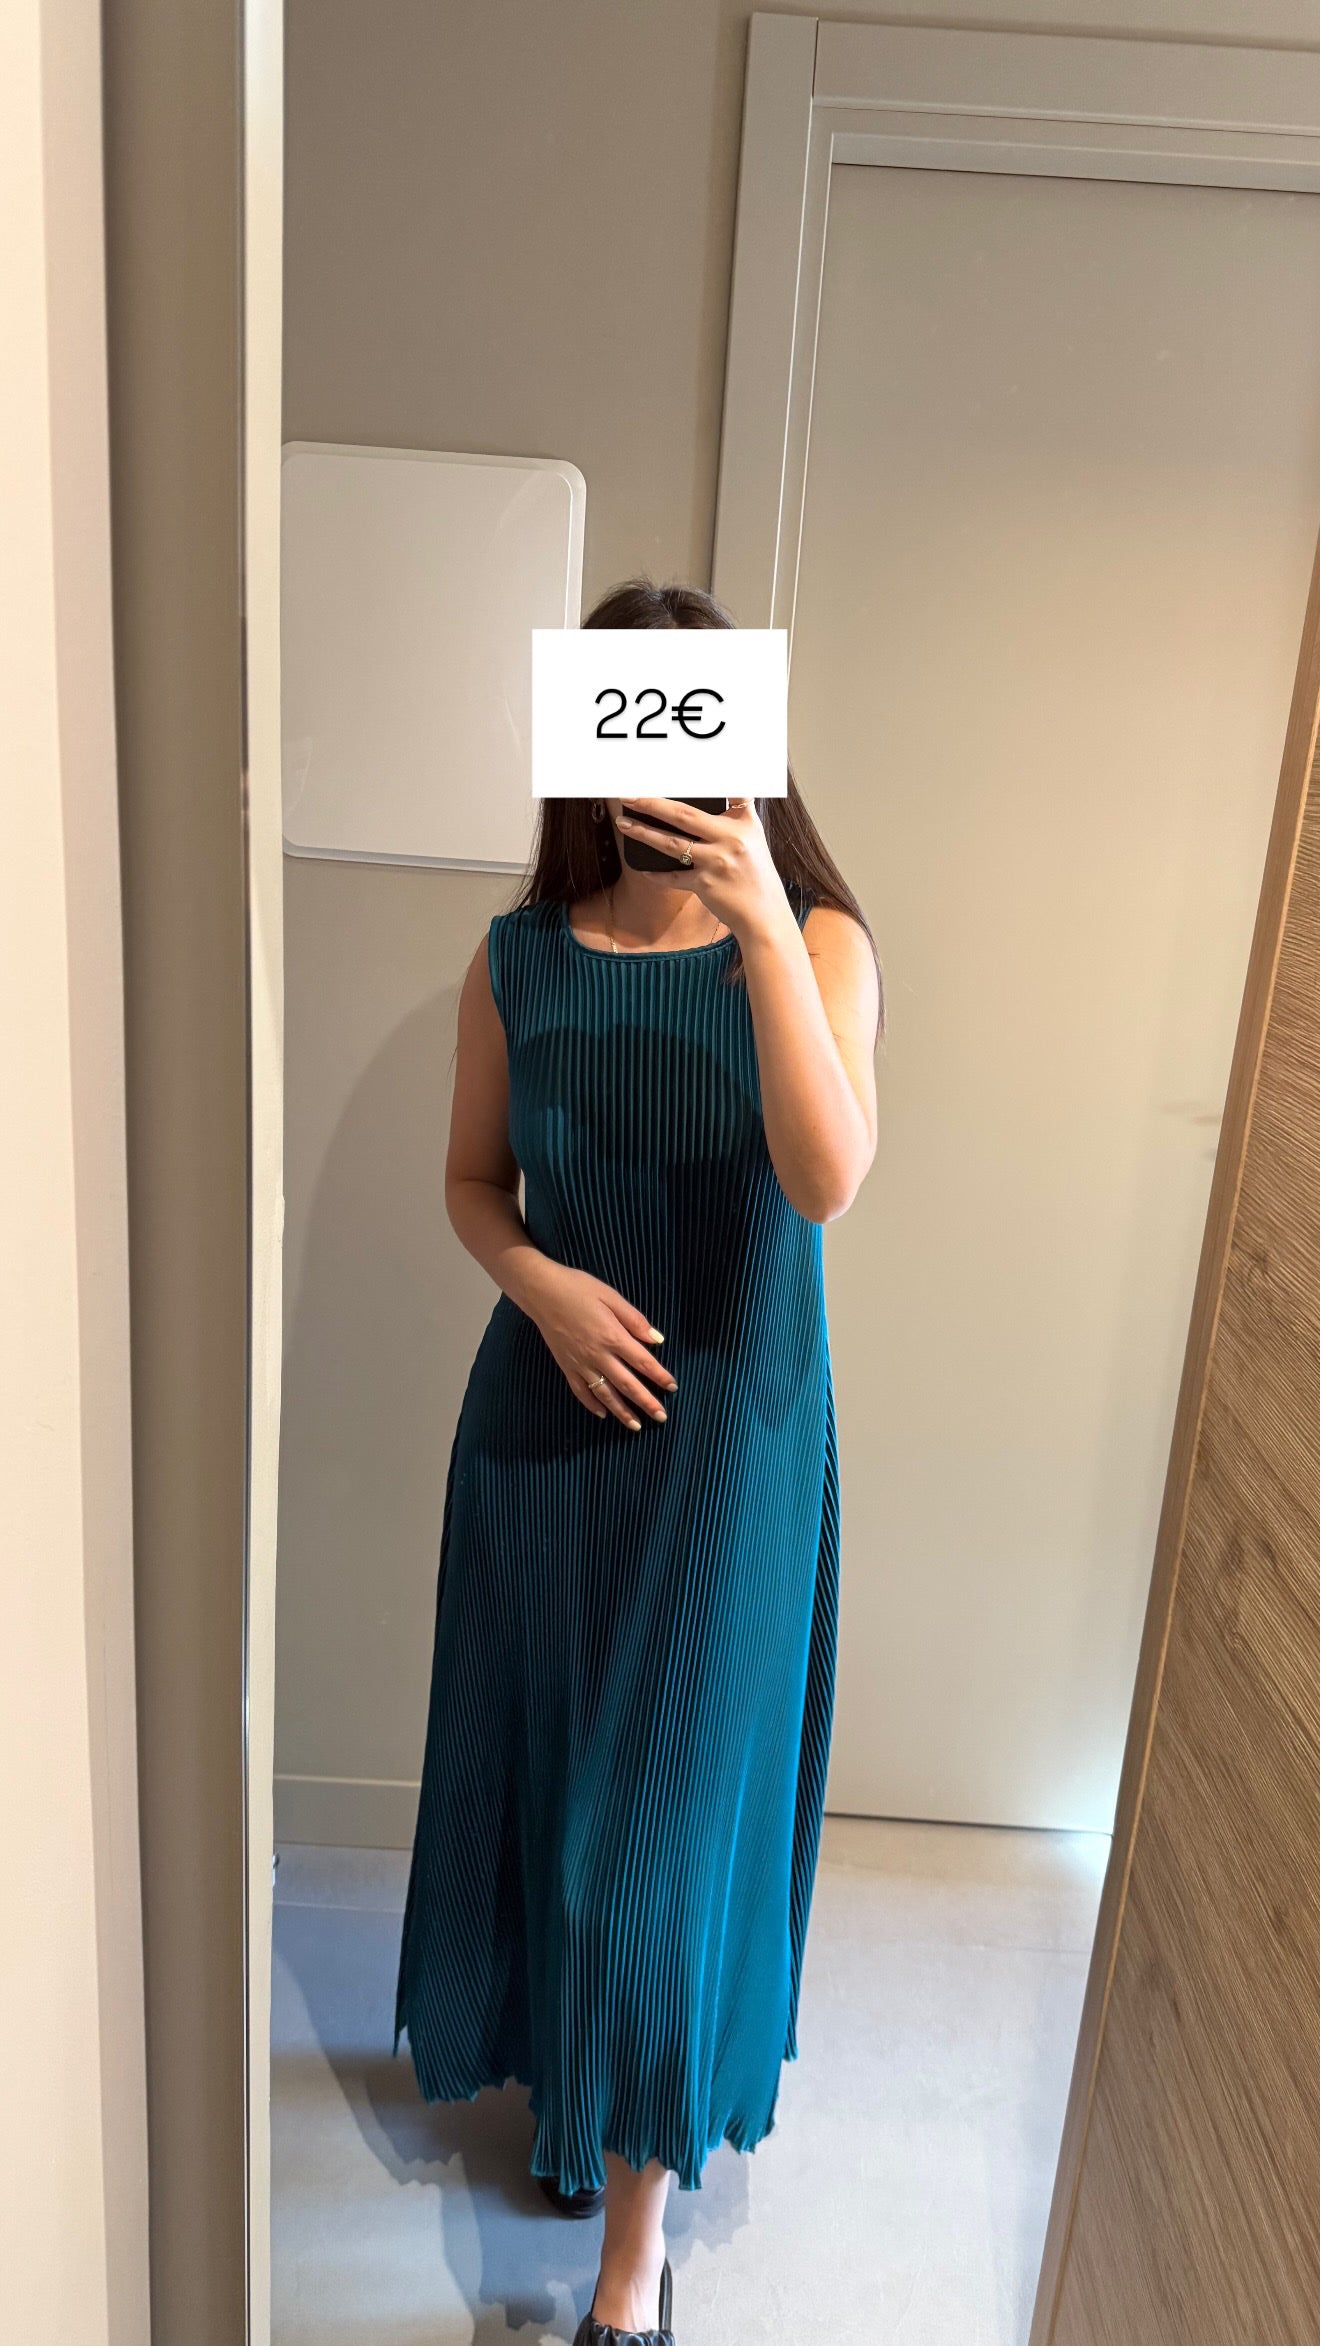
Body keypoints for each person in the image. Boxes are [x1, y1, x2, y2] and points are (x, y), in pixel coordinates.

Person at [393, 577, 883, 2344]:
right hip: (547, 1433)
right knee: (552, 1789)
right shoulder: (516, 959)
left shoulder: (819, 940)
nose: (658, 757)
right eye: (626, 717)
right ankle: (582, 2100)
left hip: (735, 1447)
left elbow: (826, 1180)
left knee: (661, 1842)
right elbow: (475, 1184)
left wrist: (760, 928)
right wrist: (543, 1288)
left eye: (695, 716)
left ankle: (627, 2275)